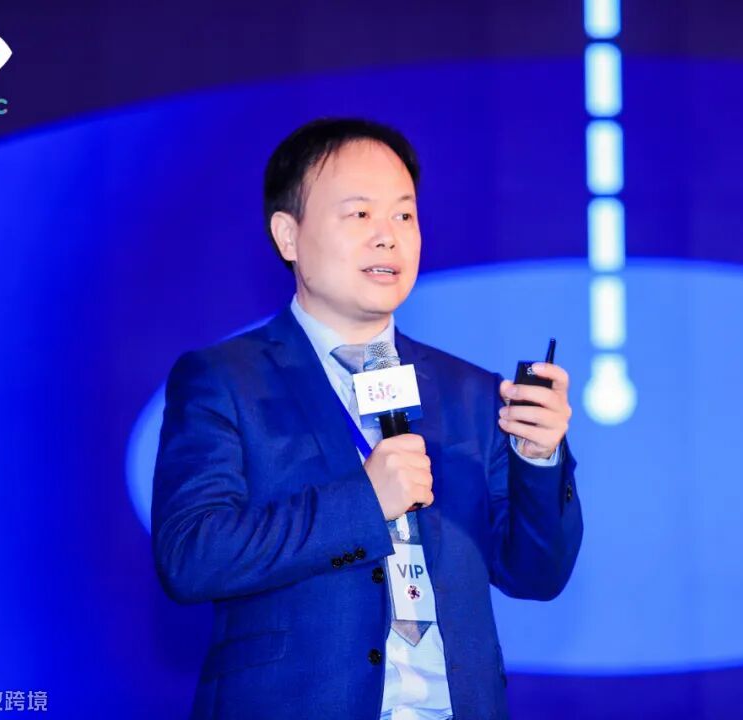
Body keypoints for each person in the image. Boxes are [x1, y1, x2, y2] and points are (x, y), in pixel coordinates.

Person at [152, 117, 583, 720]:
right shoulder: (225, 379)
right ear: (288, 236)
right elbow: (191, 555)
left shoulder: (472, 393)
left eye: (404, 215)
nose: (388, 237)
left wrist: (538, 459)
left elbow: (537, 575)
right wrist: (365, 502)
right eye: (360, 214)